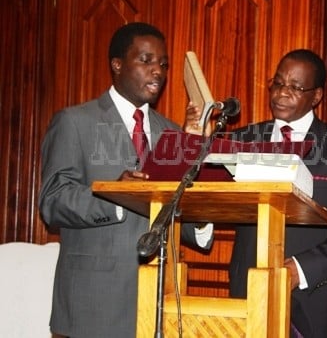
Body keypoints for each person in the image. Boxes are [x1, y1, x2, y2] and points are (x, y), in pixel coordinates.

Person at [39, 22, 213, 338]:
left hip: (158, 303)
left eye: (163, 64)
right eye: (146, 60)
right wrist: (117, 196)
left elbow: (171, 209)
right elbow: (52, 201)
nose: (157, 71)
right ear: (117, 65)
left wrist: (204, 216)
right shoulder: (75, 122)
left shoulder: (173, 133)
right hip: (92, 306)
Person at [185, 49, 327, 337]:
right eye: (278, 83)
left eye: (295, 87)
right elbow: (210, 202)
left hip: (312, 299)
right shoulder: (240, 139)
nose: (282, 93)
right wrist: (195, 147)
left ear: (316, 96)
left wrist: (301, 268)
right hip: (246, 294)